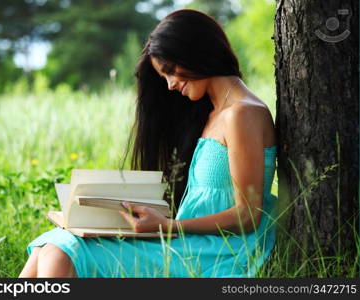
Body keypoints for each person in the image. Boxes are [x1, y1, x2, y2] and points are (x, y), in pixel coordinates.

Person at [19, 9, 277, 278]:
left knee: (61, 251)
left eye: (169, 71)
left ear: (195, 53)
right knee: (48, 246)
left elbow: (248, 215)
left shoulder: (242, 114)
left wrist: (167, 226)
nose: (169, 85)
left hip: (220, 252)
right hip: (189, 242)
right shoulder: (214, 113)